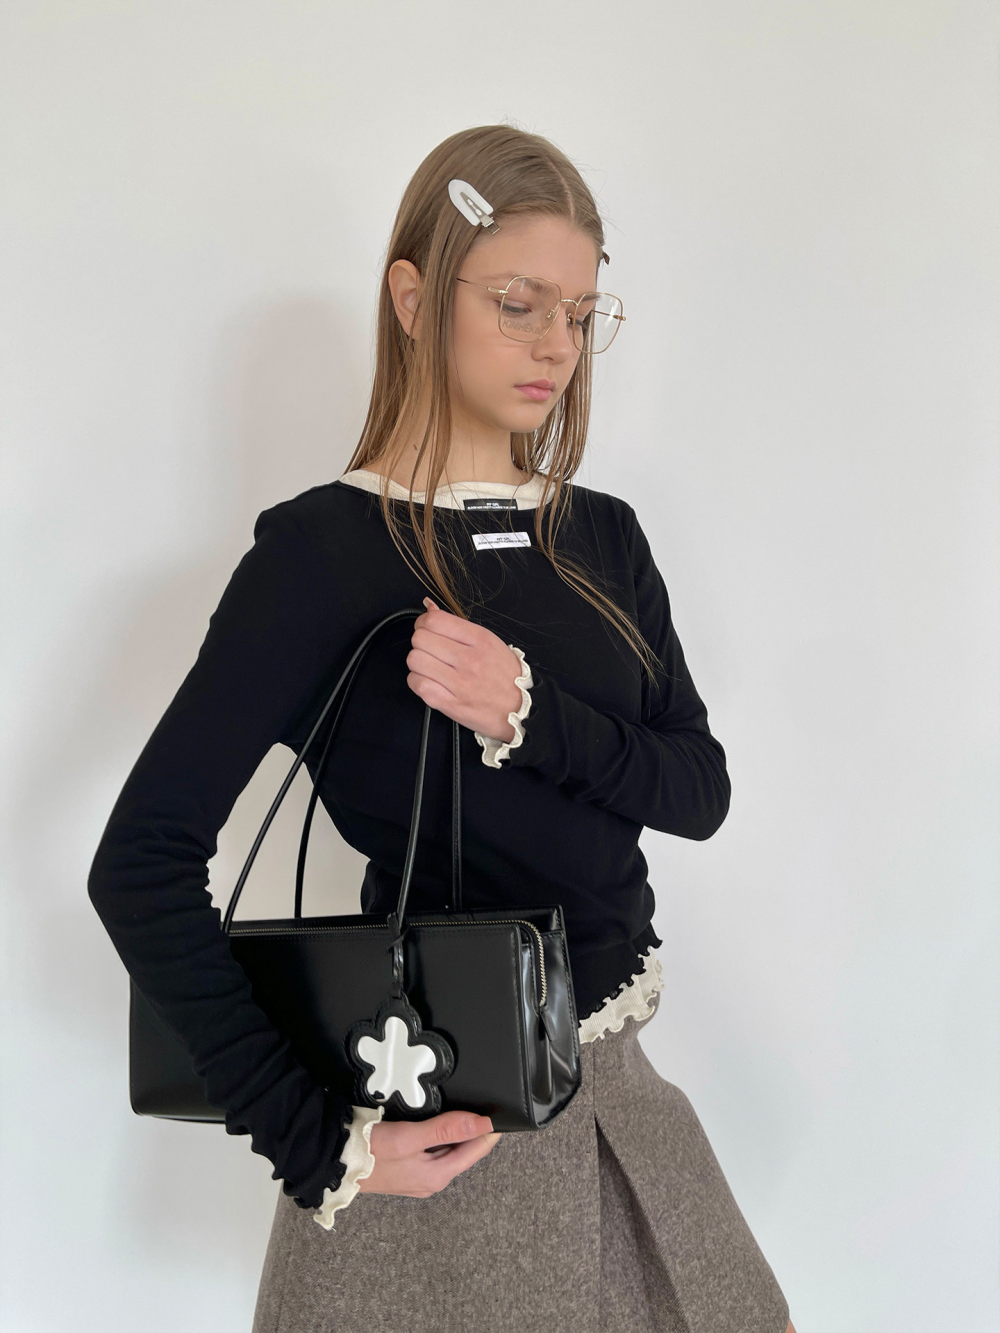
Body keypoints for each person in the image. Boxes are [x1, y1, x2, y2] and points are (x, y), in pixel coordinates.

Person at [88, 124, 796, 1333]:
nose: (554, 346)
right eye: (517, 304)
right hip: (445, 1129)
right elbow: (140, 861)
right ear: (413, 300)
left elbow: (698, 790)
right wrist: (317, 1140)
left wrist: (528, 714)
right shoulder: (321, 555)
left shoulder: (602, 536)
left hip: (625, 1095)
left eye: (579, 314)